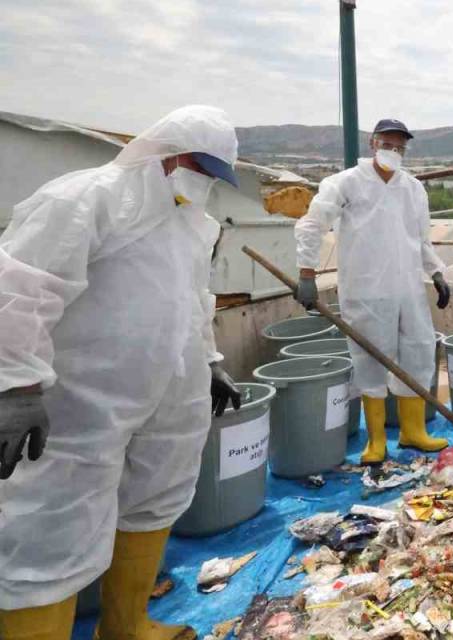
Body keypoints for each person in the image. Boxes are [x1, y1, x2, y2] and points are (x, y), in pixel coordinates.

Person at [0, 105, 243, 640]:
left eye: (212, 175)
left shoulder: (192, 225)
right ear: (168, 151)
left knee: (156, 499)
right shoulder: (87, 198)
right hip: (80, 406)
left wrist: (210, 363)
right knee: (48, 531)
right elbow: (20, 289)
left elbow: (192, 303)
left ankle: (127, 625)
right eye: (198, 167)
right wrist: (14, 384)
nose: (203, 183)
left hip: (168, 399)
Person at [294, 118, 452, 465]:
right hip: (367, 291)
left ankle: (413, 432)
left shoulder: (412, 189)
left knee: (418, 353)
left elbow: (420, 241)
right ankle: (377, 440)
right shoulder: (346, 183)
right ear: (373, 143)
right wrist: (307, 271)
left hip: (408, 289)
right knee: (370, 362)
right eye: (387, 144)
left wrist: (437, 272)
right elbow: (311, 224)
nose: (393, 151)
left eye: (400, 146)